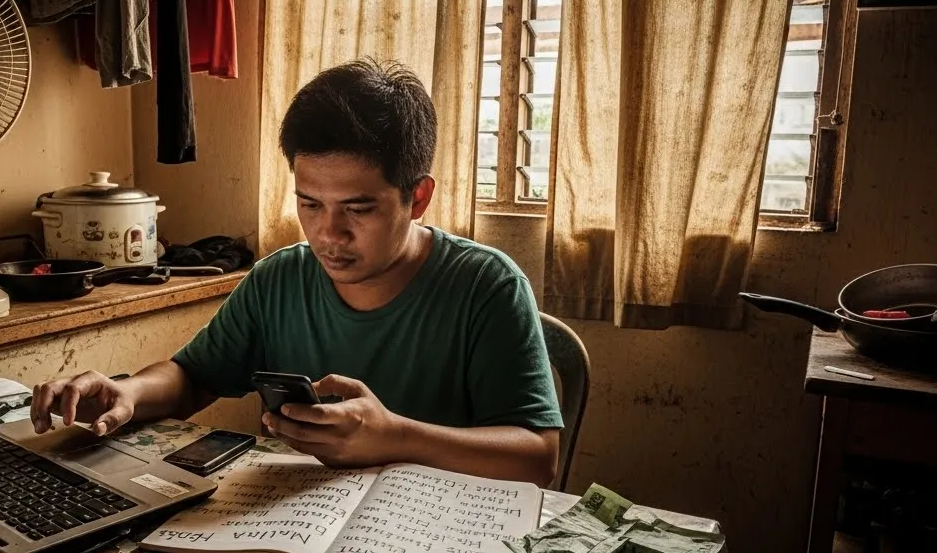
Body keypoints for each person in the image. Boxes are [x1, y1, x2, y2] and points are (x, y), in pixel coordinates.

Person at [30, 58, 563, 486]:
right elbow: (192, 377)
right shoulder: (279, 279)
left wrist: (397, 436)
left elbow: (538, 457)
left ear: (416, 197)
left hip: (436, 535)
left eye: (358, 209)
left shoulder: (485, 286)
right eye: (310, 204)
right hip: (305, 531)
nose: (329, 234)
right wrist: (129, 392)